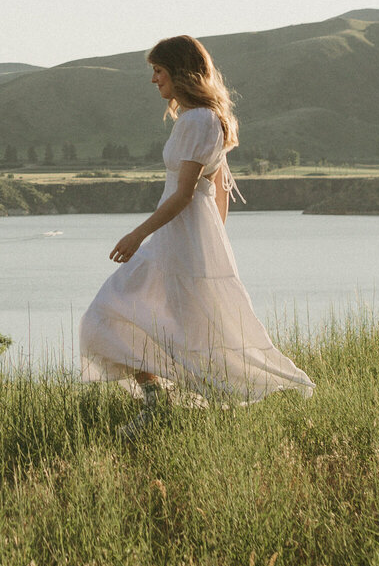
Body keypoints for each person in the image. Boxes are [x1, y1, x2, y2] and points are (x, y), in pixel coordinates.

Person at [80, 35, 313, 412]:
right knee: (177, 323)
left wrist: (138, 235)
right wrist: (214, 240)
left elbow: (186, 193)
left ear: (180, 72)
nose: (154, 79)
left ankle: (169, 399)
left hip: (181, 232)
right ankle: (160, 398)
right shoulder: (202, 118)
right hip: (189, 233)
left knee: (107, 312)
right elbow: (218, 188)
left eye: (158, 71)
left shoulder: (198, 121)